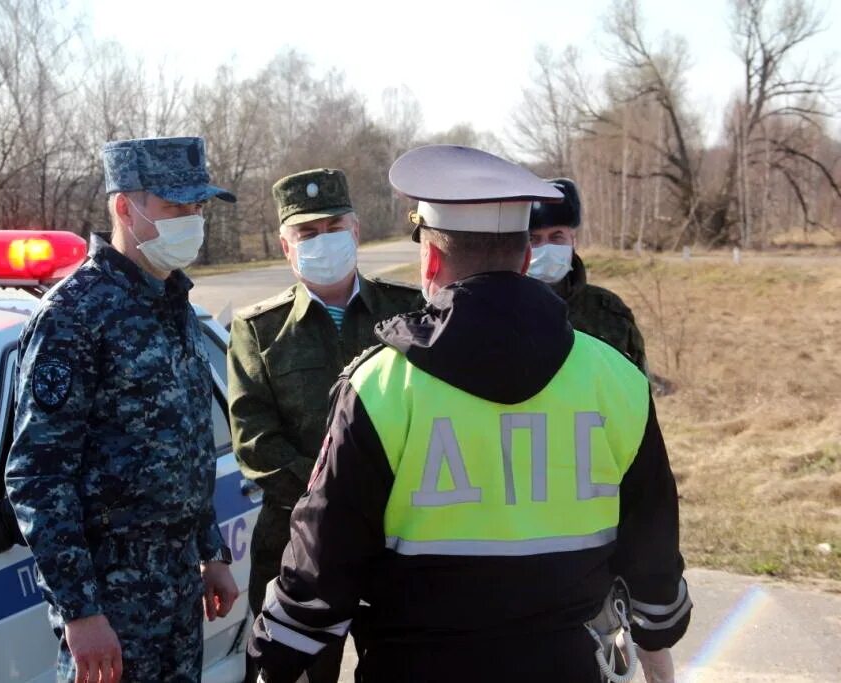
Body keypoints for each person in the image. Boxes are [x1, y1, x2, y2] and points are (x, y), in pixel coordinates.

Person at [248, 145, 690, 683]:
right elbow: (654, 558)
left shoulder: (382, 386)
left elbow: (321, 566)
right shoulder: (617, 380)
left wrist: (277, 654)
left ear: (431, 261)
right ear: (525, 259)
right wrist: (657, 631)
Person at [6, 136, 239, 683]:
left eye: (198, 206)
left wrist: (211, 552)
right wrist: (80, 610)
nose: (192, 218)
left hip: (178, 588)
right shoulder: (73, 316)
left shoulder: (172, 302)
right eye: (175, 206)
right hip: (110, 597)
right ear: (123, 208)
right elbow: (38, 474)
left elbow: (186, 444)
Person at [227, 168, 421, 682]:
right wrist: (334, 502)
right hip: (300, 547)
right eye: (306, 233)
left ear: (355, 232)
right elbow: (255, 441)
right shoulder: (258, 329)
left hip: (397, 543)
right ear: (285, 247)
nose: (322, 241)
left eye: (333, 227)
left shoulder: (408, 312)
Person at [528, 177, 648, 372]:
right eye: (534, 239)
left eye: (556, 236)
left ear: (573, 241)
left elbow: (639, 387)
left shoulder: (608, 312)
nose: (545, 247)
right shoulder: (500, 311)